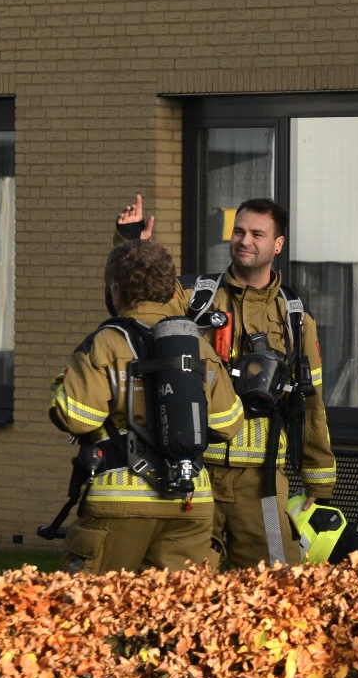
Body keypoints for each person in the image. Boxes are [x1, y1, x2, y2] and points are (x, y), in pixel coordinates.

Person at [116, 195, 336, 569]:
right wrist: (133, 244)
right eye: (238, 231)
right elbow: (140, 301)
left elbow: (311, 404)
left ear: (277, 244)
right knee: (189, 583)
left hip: (264, 484)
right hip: (199, 475)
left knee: (274, 584)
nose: (244, 240)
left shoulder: (295, 317)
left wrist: (320, 484)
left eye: (257, 234)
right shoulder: (196, 298)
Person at [49, 239, 243, 573]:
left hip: (119, 502)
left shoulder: (105, 343)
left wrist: (60, 384)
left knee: (95, 613)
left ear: (117, 290)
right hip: (190, 500)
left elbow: (77, 417)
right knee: (174, 616)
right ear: (171, 291)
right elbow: (228, 423)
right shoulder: (198, 347)